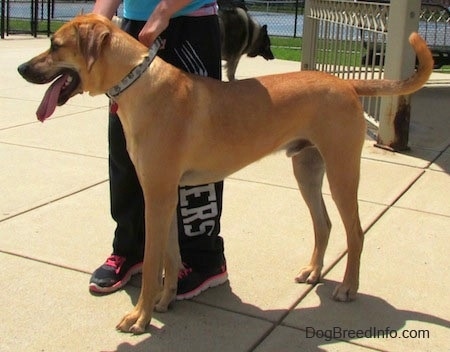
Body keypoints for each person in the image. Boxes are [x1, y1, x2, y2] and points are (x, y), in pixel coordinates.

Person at [89, 0, 227, 300]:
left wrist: (164, 10)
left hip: (187, 23)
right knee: (126, 146)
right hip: (130, 30)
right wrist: (96, 23)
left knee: (198, 148)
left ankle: (202, 258)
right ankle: (129, 248)